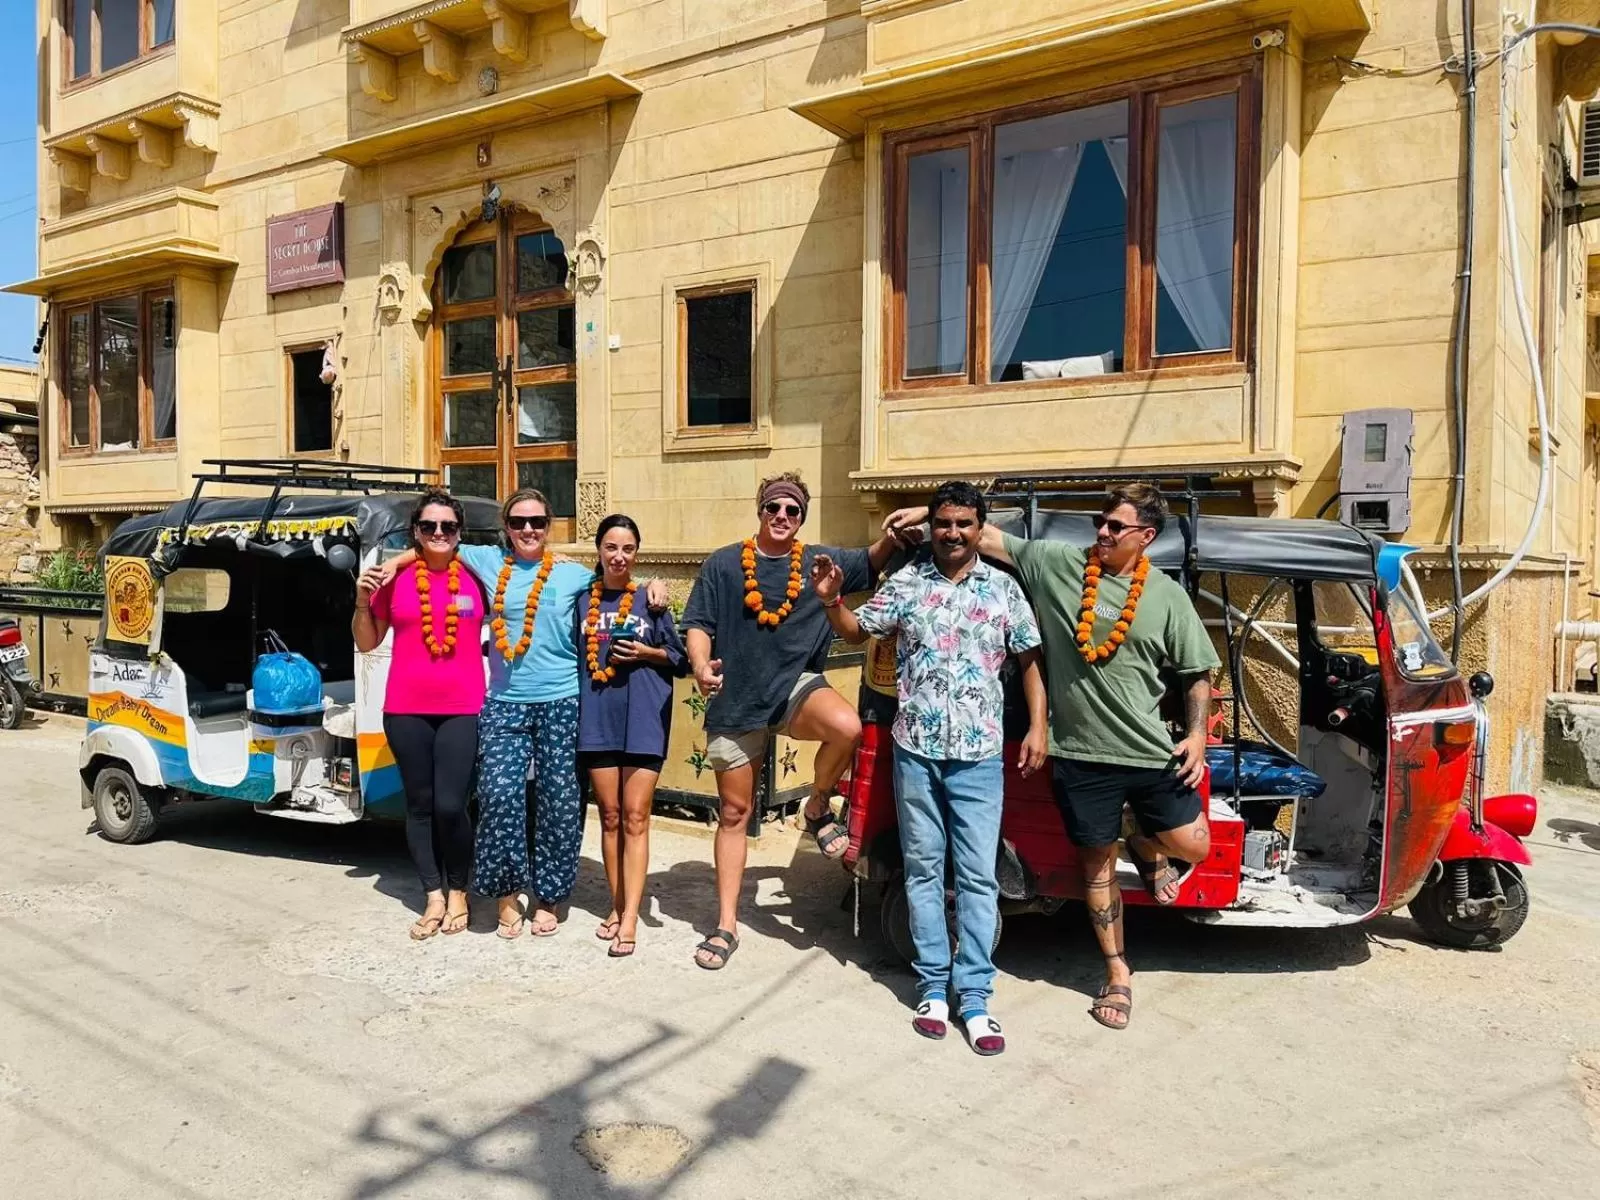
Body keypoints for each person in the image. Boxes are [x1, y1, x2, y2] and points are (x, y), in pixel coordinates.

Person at [886, 482, 1219, 1031]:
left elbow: (1196, 671)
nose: (1103, 532)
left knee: (1196, 845)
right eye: (1100, 522)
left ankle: (1144, 842)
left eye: (1116, 526)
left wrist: (1199, 736)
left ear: (1146, 537)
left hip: (1147, 749)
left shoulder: (1166, 596)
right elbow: (979, 536)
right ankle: (1118, 973)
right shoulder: (1059, 564)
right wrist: (931, 510)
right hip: (1080, 754)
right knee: (1097, 867)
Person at [815, 481, 1046, 1057]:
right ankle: (933, 989)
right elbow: (857, 631)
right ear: (932, 527)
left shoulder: (1003, 589)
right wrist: (831, 600)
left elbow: (1029, 661)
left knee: (977, 877)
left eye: (964, 523)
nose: (952, 533)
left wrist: (1038, 727)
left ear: (979, 528)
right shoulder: (907, 583)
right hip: (916, 751)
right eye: (944, 523)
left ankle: (976, 997)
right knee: (922, 871)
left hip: (979, 756)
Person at [378, 489, 668, 940]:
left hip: (562, 700)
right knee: (498, 796)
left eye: (537, 522)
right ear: (506, 528)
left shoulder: (573, 575)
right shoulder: (488, 561)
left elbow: (616, 574)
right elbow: (434, 545)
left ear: (549, 526)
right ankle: (507, 895)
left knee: (559, 800)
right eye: (518, 522)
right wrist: (394, 563)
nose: (528, 529)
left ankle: (549, 897)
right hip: (504, 702)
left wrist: (654, 584)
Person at [681, 471, 908, 971]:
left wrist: (897, 529)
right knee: (735, 813)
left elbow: (873, 559)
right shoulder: (724, 563)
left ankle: (817, 806)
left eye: (792, 510)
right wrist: (700, 665)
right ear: (760, 509)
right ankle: (726, 925)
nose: (782, 516)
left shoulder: (820, 562)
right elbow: (697, 623)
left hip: (793, 688)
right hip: (736, 699)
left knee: (848, 727)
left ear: (801, 517)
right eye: (774, 507)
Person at [354, 489, 487, 940]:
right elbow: (367, 642)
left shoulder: (477, 574)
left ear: (460, 533)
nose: (438, 533)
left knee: (451, 804)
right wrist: (361, 599)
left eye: (448, 526)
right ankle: (433, 894)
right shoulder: (393, 581)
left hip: (463, 708)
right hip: (406, 708)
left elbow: (528, 563)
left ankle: (459, 891)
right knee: (420, 805)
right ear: (415, 531)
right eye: (429, 526)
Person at [577, 514, 687, 959]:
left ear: (637, 553)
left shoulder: (652, 600)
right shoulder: (582, 600)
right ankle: (617, 902)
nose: (619, 556)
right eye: (611, 547)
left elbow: (680, 659)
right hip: (598, 718)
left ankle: (629, 918)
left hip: (643, 719)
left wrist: (645, 652)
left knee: (636, 816)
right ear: (599, 551)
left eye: (627, 548)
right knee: (609, 816)